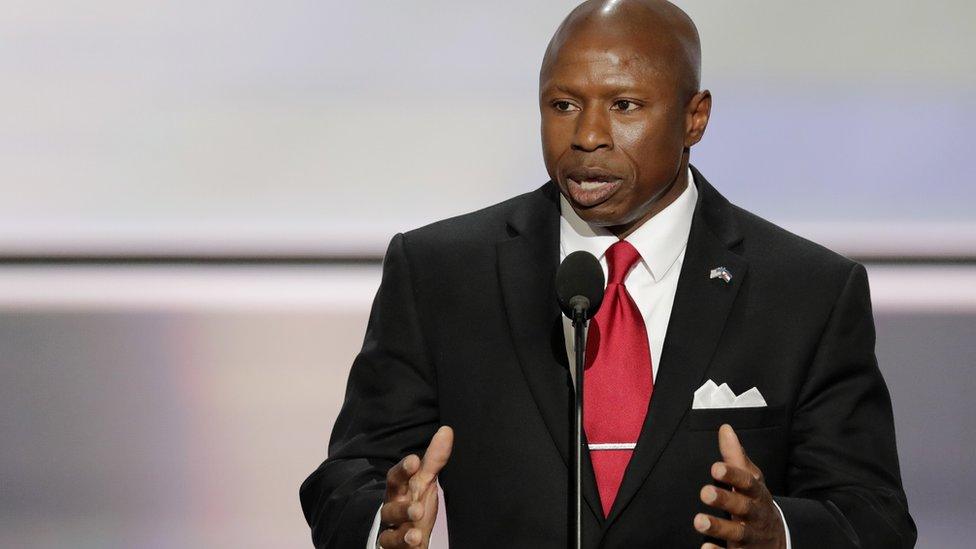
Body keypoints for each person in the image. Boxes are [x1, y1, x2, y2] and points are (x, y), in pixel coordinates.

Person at [299, 1, 917, 547]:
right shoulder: (440, 273)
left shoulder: (806, 291)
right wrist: (381, 521)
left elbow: (874, 515)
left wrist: (777, 530)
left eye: (625, 106)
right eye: (563, 105)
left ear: (694, 118)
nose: (587, 136)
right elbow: (346, 476)